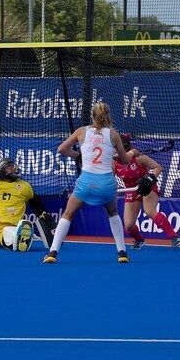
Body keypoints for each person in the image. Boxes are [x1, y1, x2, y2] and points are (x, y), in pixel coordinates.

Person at [43, 102, 133, 264]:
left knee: (68, 214)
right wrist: (131, 153)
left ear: (92, 115)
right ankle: (122, 253)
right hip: (106, 184)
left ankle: (52, 253)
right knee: (113, 213)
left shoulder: (81, 131)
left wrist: (78, 155)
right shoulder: (113, 134)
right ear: (108, 116)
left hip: (86, 183)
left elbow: (62, 149)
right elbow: (125, 161)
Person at [114, 133, 180, 250]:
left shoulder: (139, 157)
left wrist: (148, 180)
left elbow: (158, 167)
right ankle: (139, 240)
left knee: (150, 211)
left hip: (147, 187)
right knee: (129, 226)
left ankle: (174, 237)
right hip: (132, 190)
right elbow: (109, 178)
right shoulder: (113, 163)